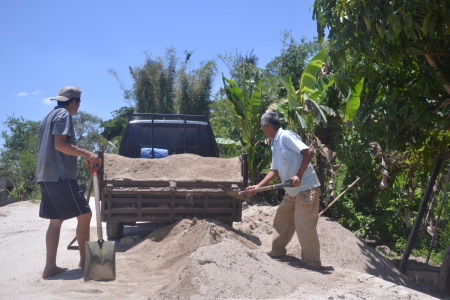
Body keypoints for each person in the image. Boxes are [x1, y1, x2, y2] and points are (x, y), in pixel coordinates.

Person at [36, 86, 100, 278]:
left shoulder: (49, 116)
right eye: (78, 104)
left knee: (55, 221)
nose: (78, 107)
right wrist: (88, 154)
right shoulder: (64, 114)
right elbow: (60, 145)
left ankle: (50, 267)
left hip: (45, 176)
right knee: (85, 214)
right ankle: (85, 262)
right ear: (73, 102)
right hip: (60, 176)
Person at [246, 111, 322, 268]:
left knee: (304, 225)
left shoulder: (286, 136)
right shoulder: (275, 142)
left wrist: (298, 175)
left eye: (262, 127)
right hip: (292, 191)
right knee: (282, 220)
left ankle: (312, 261)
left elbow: (309, 152)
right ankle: (277, 251)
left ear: (266, 126)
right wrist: (258, 187)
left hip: (306, 188)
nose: (262, 130)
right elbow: (275, 170)